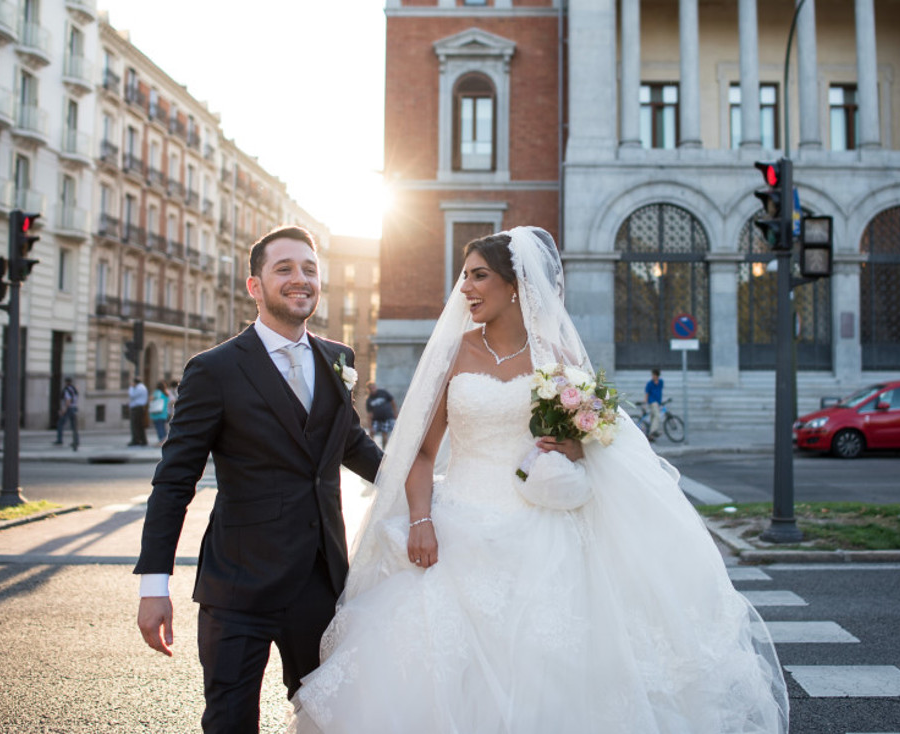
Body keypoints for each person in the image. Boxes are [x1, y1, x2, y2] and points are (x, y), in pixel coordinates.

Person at [288, 227, 788, 733]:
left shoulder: (559, 359)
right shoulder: (453, 353)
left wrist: (575, 447)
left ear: (515, 284)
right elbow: (420, 454)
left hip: (545, 534)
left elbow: (596, 444)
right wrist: (420, 519)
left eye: (479, 276)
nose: (465, 289)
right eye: (465, 276)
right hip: (457, 533)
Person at [134, 225, 383, 734]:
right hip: (237, 586)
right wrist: (154, 585)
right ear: (255, 286)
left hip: (320, 581)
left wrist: (425, 487)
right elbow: (174, 481)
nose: (300, 280)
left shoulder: (339, 360)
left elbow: (351, 446)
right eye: (284, 269)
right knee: (229, 722)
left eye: (310, 269)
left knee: (328, 719)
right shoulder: (214, 369)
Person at [364, 382, 398, 448]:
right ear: (368, 390)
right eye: (370, 388)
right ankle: (371, 448)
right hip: (376, 419)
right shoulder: (369, 400)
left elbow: (392, 402)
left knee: (384, 433)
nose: (372, 389)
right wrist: (370, 426)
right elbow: (370, 414)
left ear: (376, 387)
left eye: (373, 387)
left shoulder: (383, 393)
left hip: (386, 417)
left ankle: (384, 449)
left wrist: (395, 413)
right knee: (372, 433)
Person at [53, 377, 79, 450]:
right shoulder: (74, 389)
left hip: (69, 408)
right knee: (74, 426)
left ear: (66, 382)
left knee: (60, 423)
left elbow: (68, 400)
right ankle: (76, 441)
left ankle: (59, 440)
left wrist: (63, 410)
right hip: (74, 408)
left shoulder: (67, 390)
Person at [127, 377, 149, 447]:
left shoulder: (138, 388)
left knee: (134, 425)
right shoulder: (143, 387)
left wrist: (131, 387)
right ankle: (143, 440)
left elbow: (132, 395)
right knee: (140, 425)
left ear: (135, 382)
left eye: (132, 382)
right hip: (141, 408)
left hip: (136, 408)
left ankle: (135, 440)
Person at [644, 367, 664, 441]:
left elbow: (660, 391)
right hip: (652, 402)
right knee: (657, 416)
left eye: (654, 375)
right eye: (652, 375)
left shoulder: (661, 382)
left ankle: (650, 436)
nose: (653, 376)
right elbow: (646, 394)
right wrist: (645, 403)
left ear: (657, 376)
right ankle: (653, 431)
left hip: (657, 402)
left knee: (653, 418)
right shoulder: (650, 383)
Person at [148, 381, 170, 445]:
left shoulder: (157, 392)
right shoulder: (166, 393)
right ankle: (165, 440)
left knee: (159, 427)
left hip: (157, 413)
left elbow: (150, 399)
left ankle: (161, 441)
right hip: (164, 413)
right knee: (163, 427)